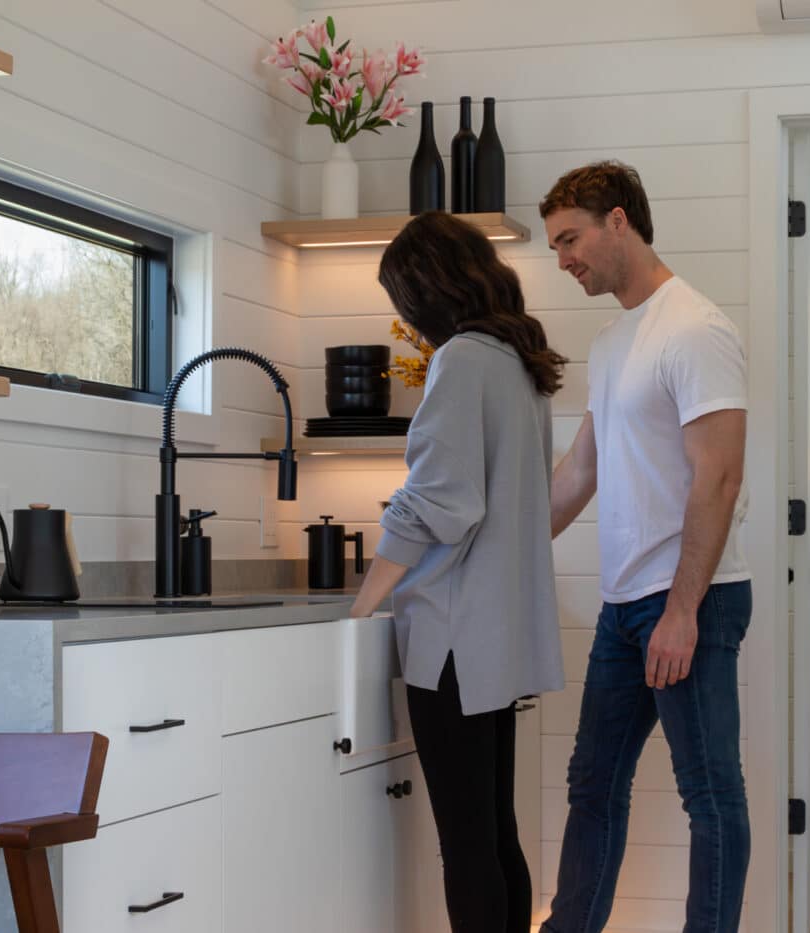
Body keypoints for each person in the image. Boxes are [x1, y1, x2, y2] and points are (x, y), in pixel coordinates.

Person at [536, 161, 752, 933]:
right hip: (623, 602)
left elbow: (719, 476)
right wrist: (507, 555)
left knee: (709, 793)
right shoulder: (610, 341)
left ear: (619, 221)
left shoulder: (695, 328)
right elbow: (581, 469)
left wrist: (682, 610)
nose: (564, 259)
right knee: (593, 783)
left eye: (571, 238)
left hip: (691, 598)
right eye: (556, 245)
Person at [349, 210, 567, 933]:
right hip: (495, 640)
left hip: (450, 644)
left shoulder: (462, 359)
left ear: (426, 289)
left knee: (466, 844)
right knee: (495, 833)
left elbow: (439, 500)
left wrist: (362, 604)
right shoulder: (517, 363)